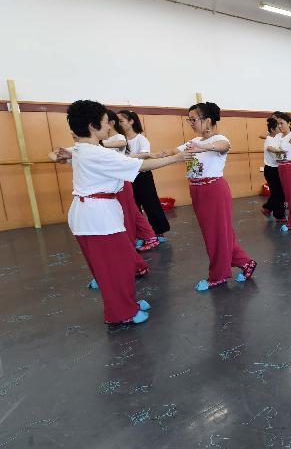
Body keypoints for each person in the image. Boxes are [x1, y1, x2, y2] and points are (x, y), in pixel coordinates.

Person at [55, 100, 187, 326]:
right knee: (114, 269)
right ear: (92, 126)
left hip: (90, 214)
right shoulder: (96, 153)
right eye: (106, 123)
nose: (109, 127)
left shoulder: (82, 149)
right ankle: (121, 312)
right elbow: (140, 166)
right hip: (98, 217)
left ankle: (128, 303)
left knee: (119, 263)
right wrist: (175, 158)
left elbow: (61, 154)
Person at [152, 102, 257, 291]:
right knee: (220, 234)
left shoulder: (218, 139)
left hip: (213, 190)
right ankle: (246, 262)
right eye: (189, 120)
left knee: (215, 235)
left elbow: (223, 145)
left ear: (207, 121)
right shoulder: (192, 142)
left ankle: (219, 276)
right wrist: (148, 156)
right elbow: (172, 152)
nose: (191, 123)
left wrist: (202, 147)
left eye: (194, 119)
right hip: (197, 190)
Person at [117, 110, 171, 246]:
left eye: (121, 121)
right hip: (127, 177)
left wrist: (126, 158)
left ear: (131, 121)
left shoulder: (141, 139)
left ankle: (159, 232)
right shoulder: (118, 140)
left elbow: (145, 155)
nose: (118, 124)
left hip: (142, 175)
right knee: (133, 206)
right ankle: (139, 234)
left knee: (151, 203)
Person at [260, 116, 286, 223]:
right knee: (278, 193)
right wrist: (279, 151)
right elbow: (269, 148)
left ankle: (267, 208)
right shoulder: (269, 139)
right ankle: (279, 216)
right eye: (277, 127)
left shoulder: (279, 136)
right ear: (272, 130)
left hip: (278, 169)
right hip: (270, 170)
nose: (280, 128)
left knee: (278, 192)